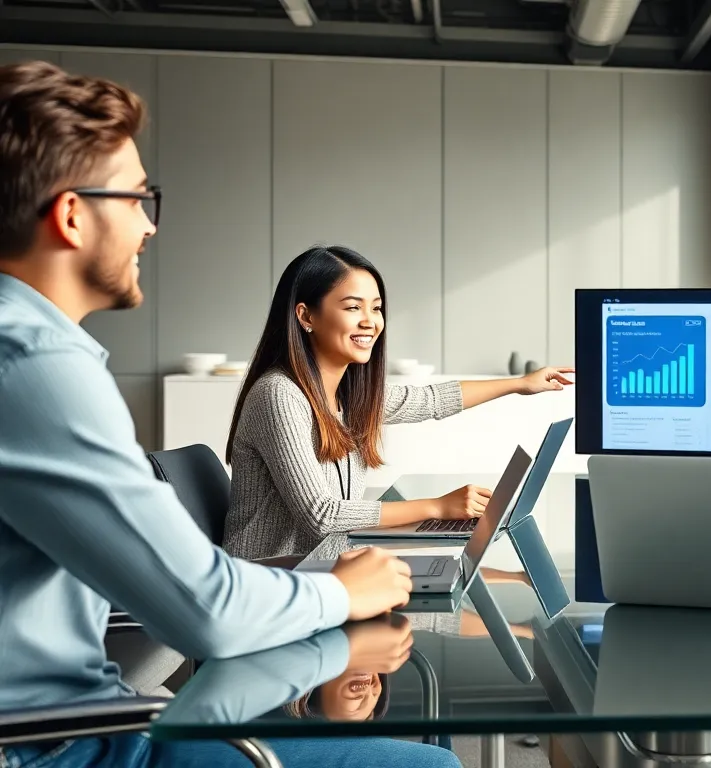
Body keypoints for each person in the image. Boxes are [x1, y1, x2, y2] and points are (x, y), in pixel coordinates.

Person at [0, 60, 455, 766]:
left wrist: (518, 388)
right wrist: (340, 591)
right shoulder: (33, 365)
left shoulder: (37, 354)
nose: (150, 226)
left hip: (95, 715)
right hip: (65, 748)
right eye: (138, 200)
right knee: (433, 763)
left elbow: (408, 400)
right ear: (70, 215)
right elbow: (207, 608)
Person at [224, 245, 573, 560]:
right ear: (306, 316)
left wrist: (521, 384)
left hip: (325, 568)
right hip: (270, 584)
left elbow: (430, 400)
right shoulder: (279, 395)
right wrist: (437, 507)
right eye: (352, 307)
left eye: (376, 308)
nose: (370, 322)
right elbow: (321, 515)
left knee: (438, 584)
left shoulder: (347, 394)